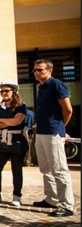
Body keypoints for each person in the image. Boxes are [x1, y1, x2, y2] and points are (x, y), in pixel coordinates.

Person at [32, 59, 74, 217]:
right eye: (35, 70)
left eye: (40, 70)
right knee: (45, 168)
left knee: (59, 169)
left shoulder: (56, 84)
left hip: (53, 132)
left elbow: (68, 109)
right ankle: (51, 198)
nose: (37, 73)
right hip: (41, 132)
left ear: (49, 70)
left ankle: (66, 205)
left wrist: (60, 127)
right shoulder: (41, 87)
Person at [0, 80, 28, 207]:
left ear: (13, 92)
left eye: (6, 90)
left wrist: (2, 120)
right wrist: (9, 120)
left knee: (16, 170)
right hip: (3, 141)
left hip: (17, 141)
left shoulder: (21, 106)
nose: (3, 93)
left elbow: (17, 121)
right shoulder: (0, 107)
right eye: (2, 91)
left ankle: (17, 196)